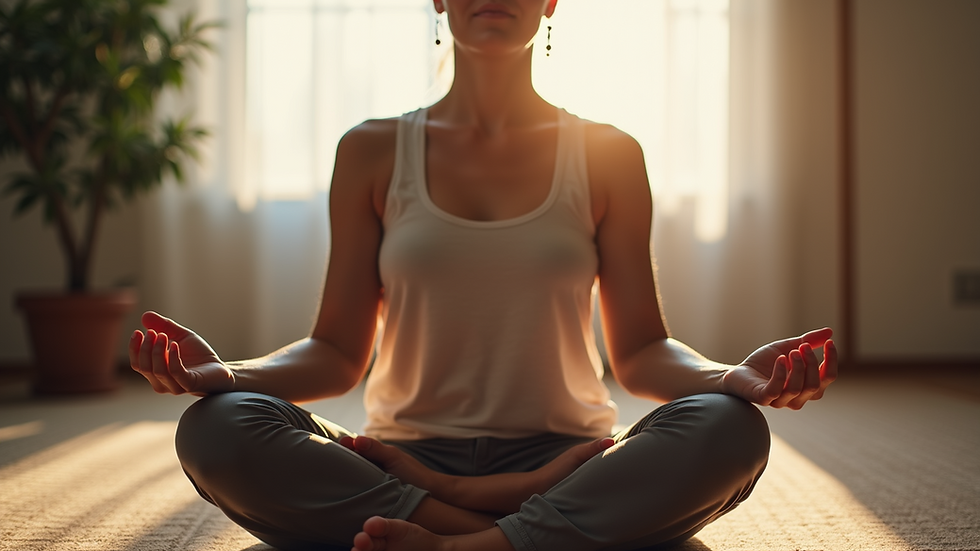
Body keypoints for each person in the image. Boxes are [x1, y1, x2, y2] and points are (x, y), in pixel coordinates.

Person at [130, 1, 838, 550]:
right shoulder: (371, 151)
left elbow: (643, 354)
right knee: (216, 430)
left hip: (570, 455)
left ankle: (457, 537)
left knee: (732, 431)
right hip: (398, 458)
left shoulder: (610, 154)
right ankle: (520, 529)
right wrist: (228, 375)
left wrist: (731, 379)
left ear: (552, 1)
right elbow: (337, 352)